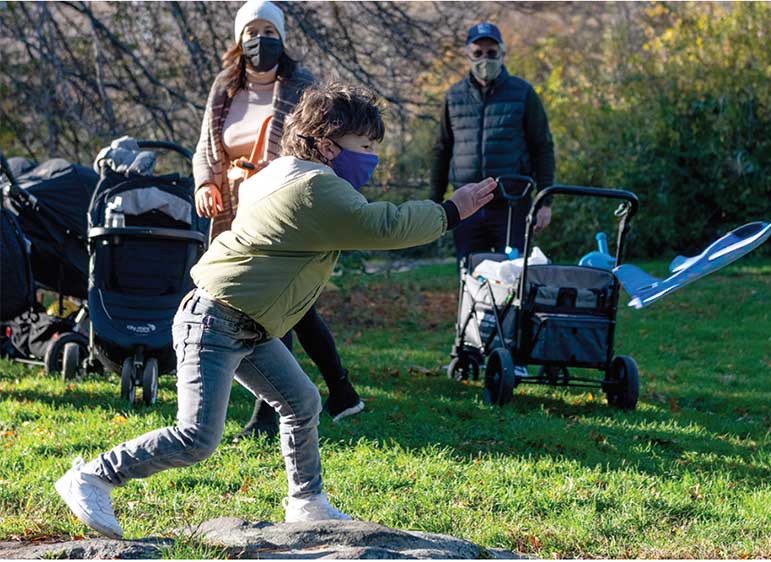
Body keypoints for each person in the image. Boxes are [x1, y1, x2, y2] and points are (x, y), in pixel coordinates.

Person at [54, 83, 497, 538]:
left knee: (301, 402)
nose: (372, 158)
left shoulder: (276, 174)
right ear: (326, 145)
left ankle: (306, 502)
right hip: (215, 320)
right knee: (198, 437)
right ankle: (92, 476)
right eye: (364, 147)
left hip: (247, 324)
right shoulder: (315, 187)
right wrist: (451, 210)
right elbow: (382, 224)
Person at [191, 0, 364, 440]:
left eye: (269, 30)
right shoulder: (225, 88)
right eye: (251, 31)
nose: (259, 40)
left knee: (277, 305)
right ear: (238, 39)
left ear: (282, 37)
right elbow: (205, 149)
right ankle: (339, 390)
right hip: (232, 211)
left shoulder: (301, 87)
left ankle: (270, 413)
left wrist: (271, 174)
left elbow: (314, 144)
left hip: (281, 207)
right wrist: (204, 185)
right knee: (282, 305)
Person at [430, 22, 556, 267]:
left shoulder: (523, 92)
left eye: (491, 53)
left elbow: (543, 147)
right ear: (467, 54)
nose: (484, 59)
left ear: (502, 54)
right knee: (470, 278)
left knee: (513, 276)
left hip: (512, 204)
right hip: (465, 205)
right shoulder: (454, 96)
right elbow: (442, 150)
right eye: (478, 53)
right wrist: (435, 204)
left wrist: (544, 202)